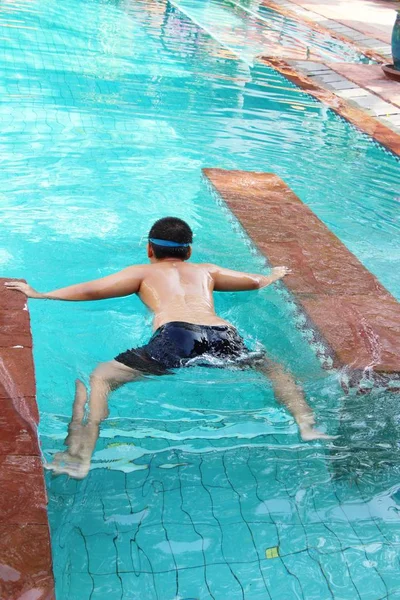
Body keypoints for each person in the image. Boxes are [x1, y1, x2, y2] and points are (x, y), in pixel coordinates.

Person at [7, 216, 333, 478]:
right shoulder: (206, 270)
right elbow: (255, 282)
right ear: (188, 252)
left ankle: (81, 452)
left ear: (150, 249)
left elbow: (92, 290)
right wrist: (274, 273)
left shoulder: (142, 272)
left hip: (177, 335)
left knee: (102, 377)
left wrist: (40, 294)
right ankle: (306, 423)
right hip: (223, 333)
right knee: (273, 368)